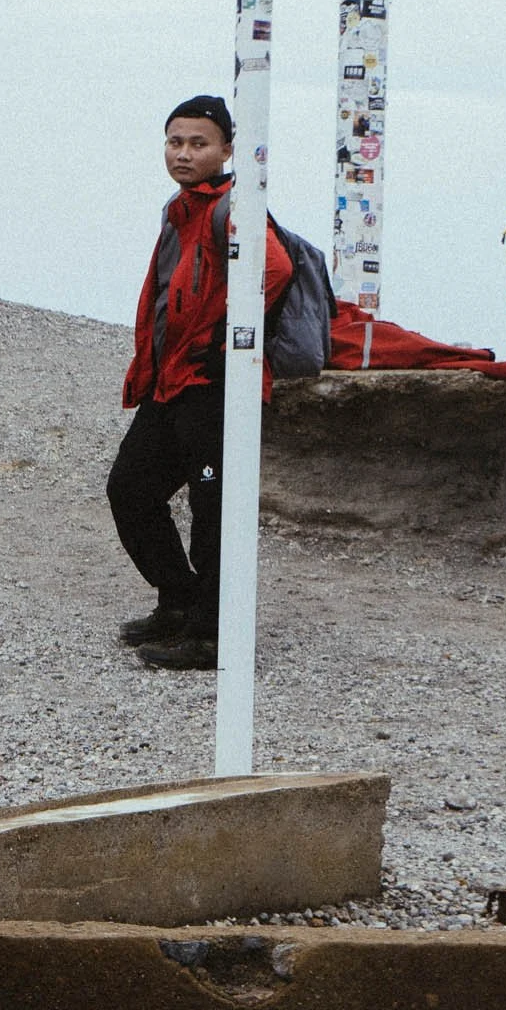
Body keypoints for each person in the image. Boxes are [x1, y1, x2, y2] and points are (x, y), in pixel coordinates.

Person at [109, 93, 291, 671]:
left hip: (215, 386)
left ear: (227, 150)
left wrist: (228, 345)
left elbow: (276, 269)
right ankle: (181, 601)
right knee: (131, 489)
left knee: (214, 511)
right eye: (175, 142)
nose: (183, 153)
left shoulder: (233, 208)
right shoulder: (182, 208)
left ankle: (214, 634)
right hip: (173, 383)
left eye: (198, 143)